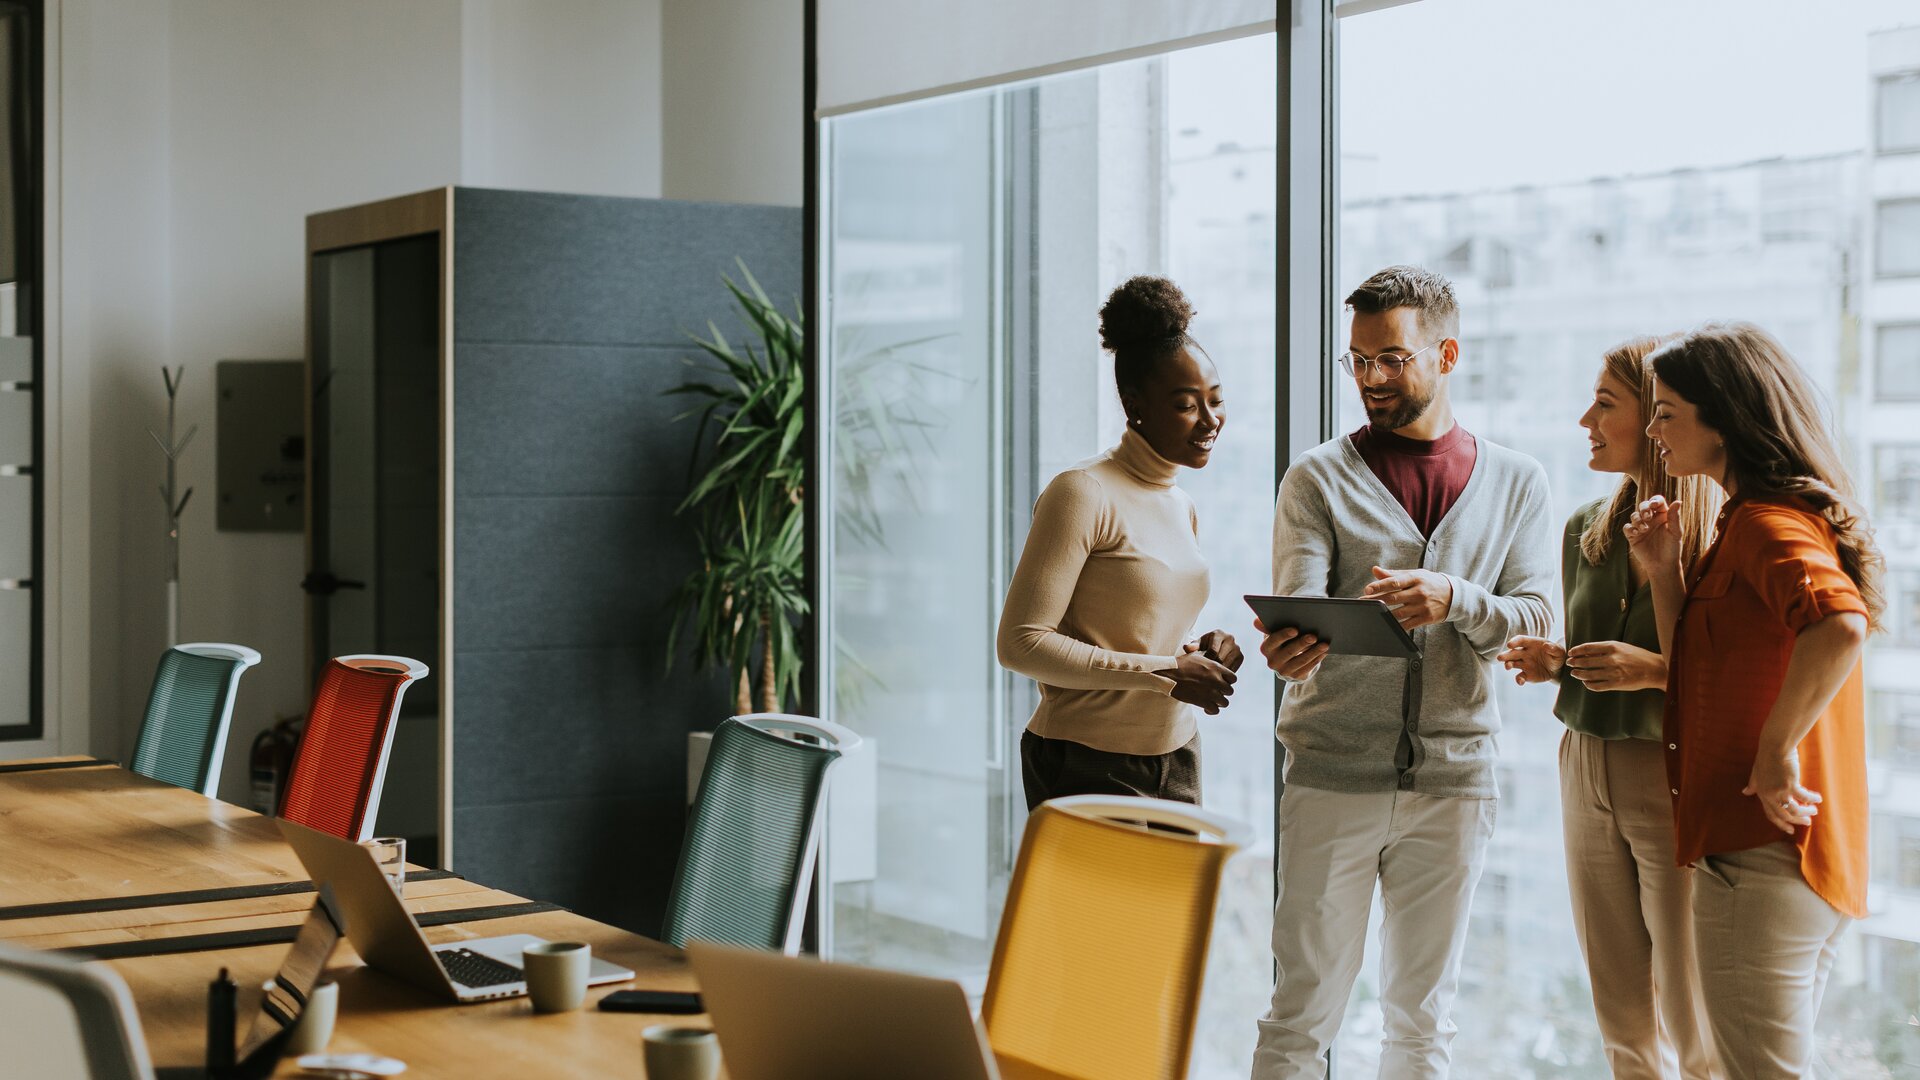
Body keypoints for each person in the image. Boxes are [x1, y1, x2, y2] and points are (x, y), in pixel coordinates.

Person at [1251, 265, 1554, 1079]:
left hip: (1455, 783)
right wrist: (1290, 649)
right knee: (1300, 1013)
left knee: (1423, 1020)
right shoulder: (1316, 478)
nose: (1371, 379)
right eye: (1356, 360)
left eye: (1391, 358)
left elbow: (1537, 617)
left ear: (1446, 352)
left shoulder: (1518, 482)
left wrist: (1455, 598)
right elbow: (1298, 607)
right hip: (1330, 775)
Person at [1626, 323, 1878, 1079]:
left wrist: (1774, 753)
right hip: (1783, 861)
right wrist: (1665, 573)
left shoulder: (1767, 523)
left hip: (1760, 856)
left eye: (1667, 411)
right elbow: (1694, 673)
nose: (1653, 429)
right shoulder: (1745, 523)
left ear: (1724, 417)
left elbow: (1840, 625)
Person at [1497, 337, 1722, 1079]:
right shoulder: (1584, 529)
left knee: (1692, 1009)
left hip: (1668, 773)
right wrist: (1558, 662)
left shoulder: (1716, 532)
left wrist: (1651, 670)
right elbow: (1597, 656)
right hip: (1583, 763)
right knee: (1619, 1006)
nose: (1585, 418)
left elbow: (1715, 674)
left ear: (1657, 418)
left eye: (1604, 403)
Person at [996, 275, 1242, 810]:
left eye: (1216, 400)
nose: (1210, 420)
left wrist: (1198, 650)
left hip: (1178, 756)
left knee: (1176, 900)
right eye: (1185, 404)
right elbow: (1020, 644)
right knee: (1100, 902)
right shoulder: (1081, 492)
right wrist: (1166, 673)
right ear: (1135, 404)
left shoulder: (1181, 504)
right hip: (1085, 760)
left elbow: (1142, 626)